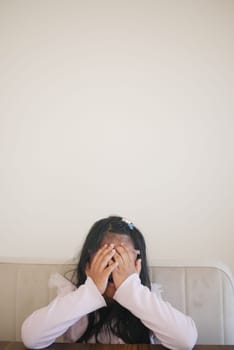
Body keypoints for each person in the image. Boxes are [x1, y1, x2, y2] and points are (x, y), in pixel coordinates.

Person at [21, 216, 198, 349]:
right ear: (88, 262)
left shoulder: (146, 299)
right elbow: (31, 337)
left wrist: (131, 289)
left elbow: (185, 340)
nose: (114, 269)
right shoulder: (73, 296)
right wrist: (91, 291)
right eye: (106, 259)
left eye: (123, 261)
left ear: (137, 266)